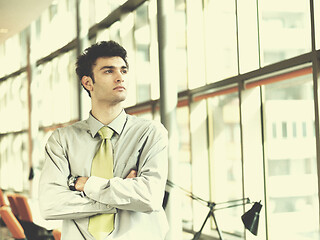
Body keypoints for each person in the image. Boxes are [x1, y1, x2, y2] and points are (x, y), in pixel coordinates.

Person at [39, 41, 169, 240]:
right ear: (88, 83)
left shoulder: (150, 133)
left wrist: (87, 185)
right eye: (109, 71)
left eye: (123, 71)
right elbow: (50, 205)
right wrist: (118, 196)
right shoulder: (62, 140)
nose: (120, 77)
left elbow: (150, 197)